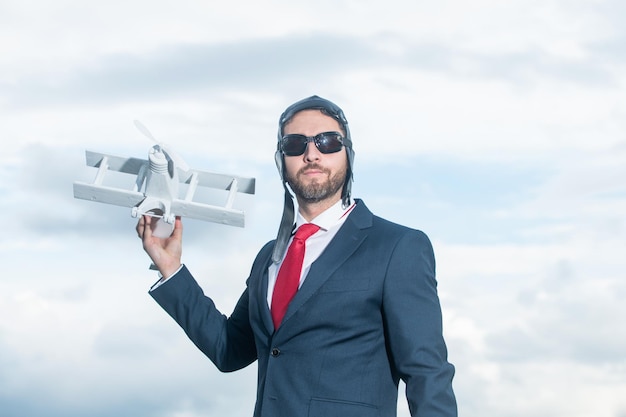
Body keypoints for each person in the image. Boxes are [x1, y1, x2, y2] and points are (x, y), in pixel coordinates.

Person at [137, 95, 457, 417]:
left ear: (348, 154)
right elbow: (229, 349)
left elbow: (427, 373)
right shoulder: (269, 258)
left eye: (328, 141)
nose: (311, 153)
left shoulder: (397, 247)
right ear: (281, 161)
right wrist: (170, 268)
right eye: (295, 144)